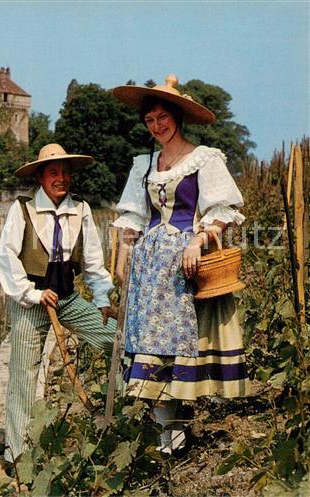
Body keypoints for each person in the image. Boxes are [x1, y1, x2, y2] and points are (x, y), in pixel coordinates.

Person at [111, 75, 251, 454]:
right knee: (151, 345)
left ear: (178, 117)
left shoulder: (203, 158)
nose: (158, 126)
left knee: (182, 342)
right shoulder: (144, 164)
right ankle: (166, 438)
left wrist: (197, 240)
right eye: (150, 120)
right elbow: (133, 218)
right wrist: (125, 258)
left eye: (163, 117)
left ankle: (180, 433)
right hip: (149, 266)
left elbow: (221, 211)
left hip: (185, 262)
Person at [0, 143, 117, 464]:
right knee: (23, 372)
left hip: (66, 297)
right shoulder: (22, 209)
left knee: (115, 339)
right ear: (40, 176)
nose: (60, 178)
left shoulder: (81, 210)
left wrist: (103, 298)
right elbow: (6, 257)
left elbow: (92, 261)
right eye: (53, 172)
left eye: (65, 172)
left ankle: (121, 416)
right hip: (31, 301)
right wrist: (33, 294)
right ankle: (17, 453)